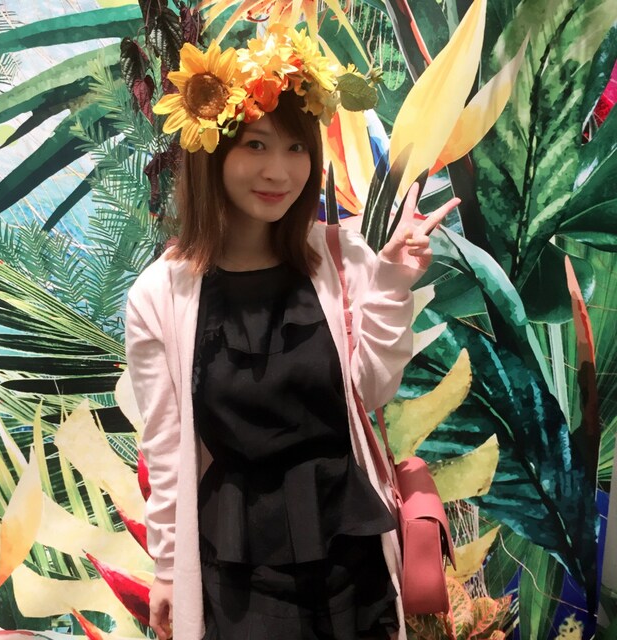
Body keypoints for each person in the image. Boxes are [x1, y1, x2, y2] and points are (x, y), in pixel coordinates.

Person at [125, 26, 460, 640]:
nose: (279, 171)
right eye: (256, 144)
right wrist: (167, 568)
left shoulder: (340, 256)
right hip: (240, 565)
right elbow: (166, 447)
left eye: (297, 148)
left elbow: (372, 391)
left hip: (350, 550)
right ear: (212, 152)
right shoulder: (161, 296)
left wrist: (391, 281)